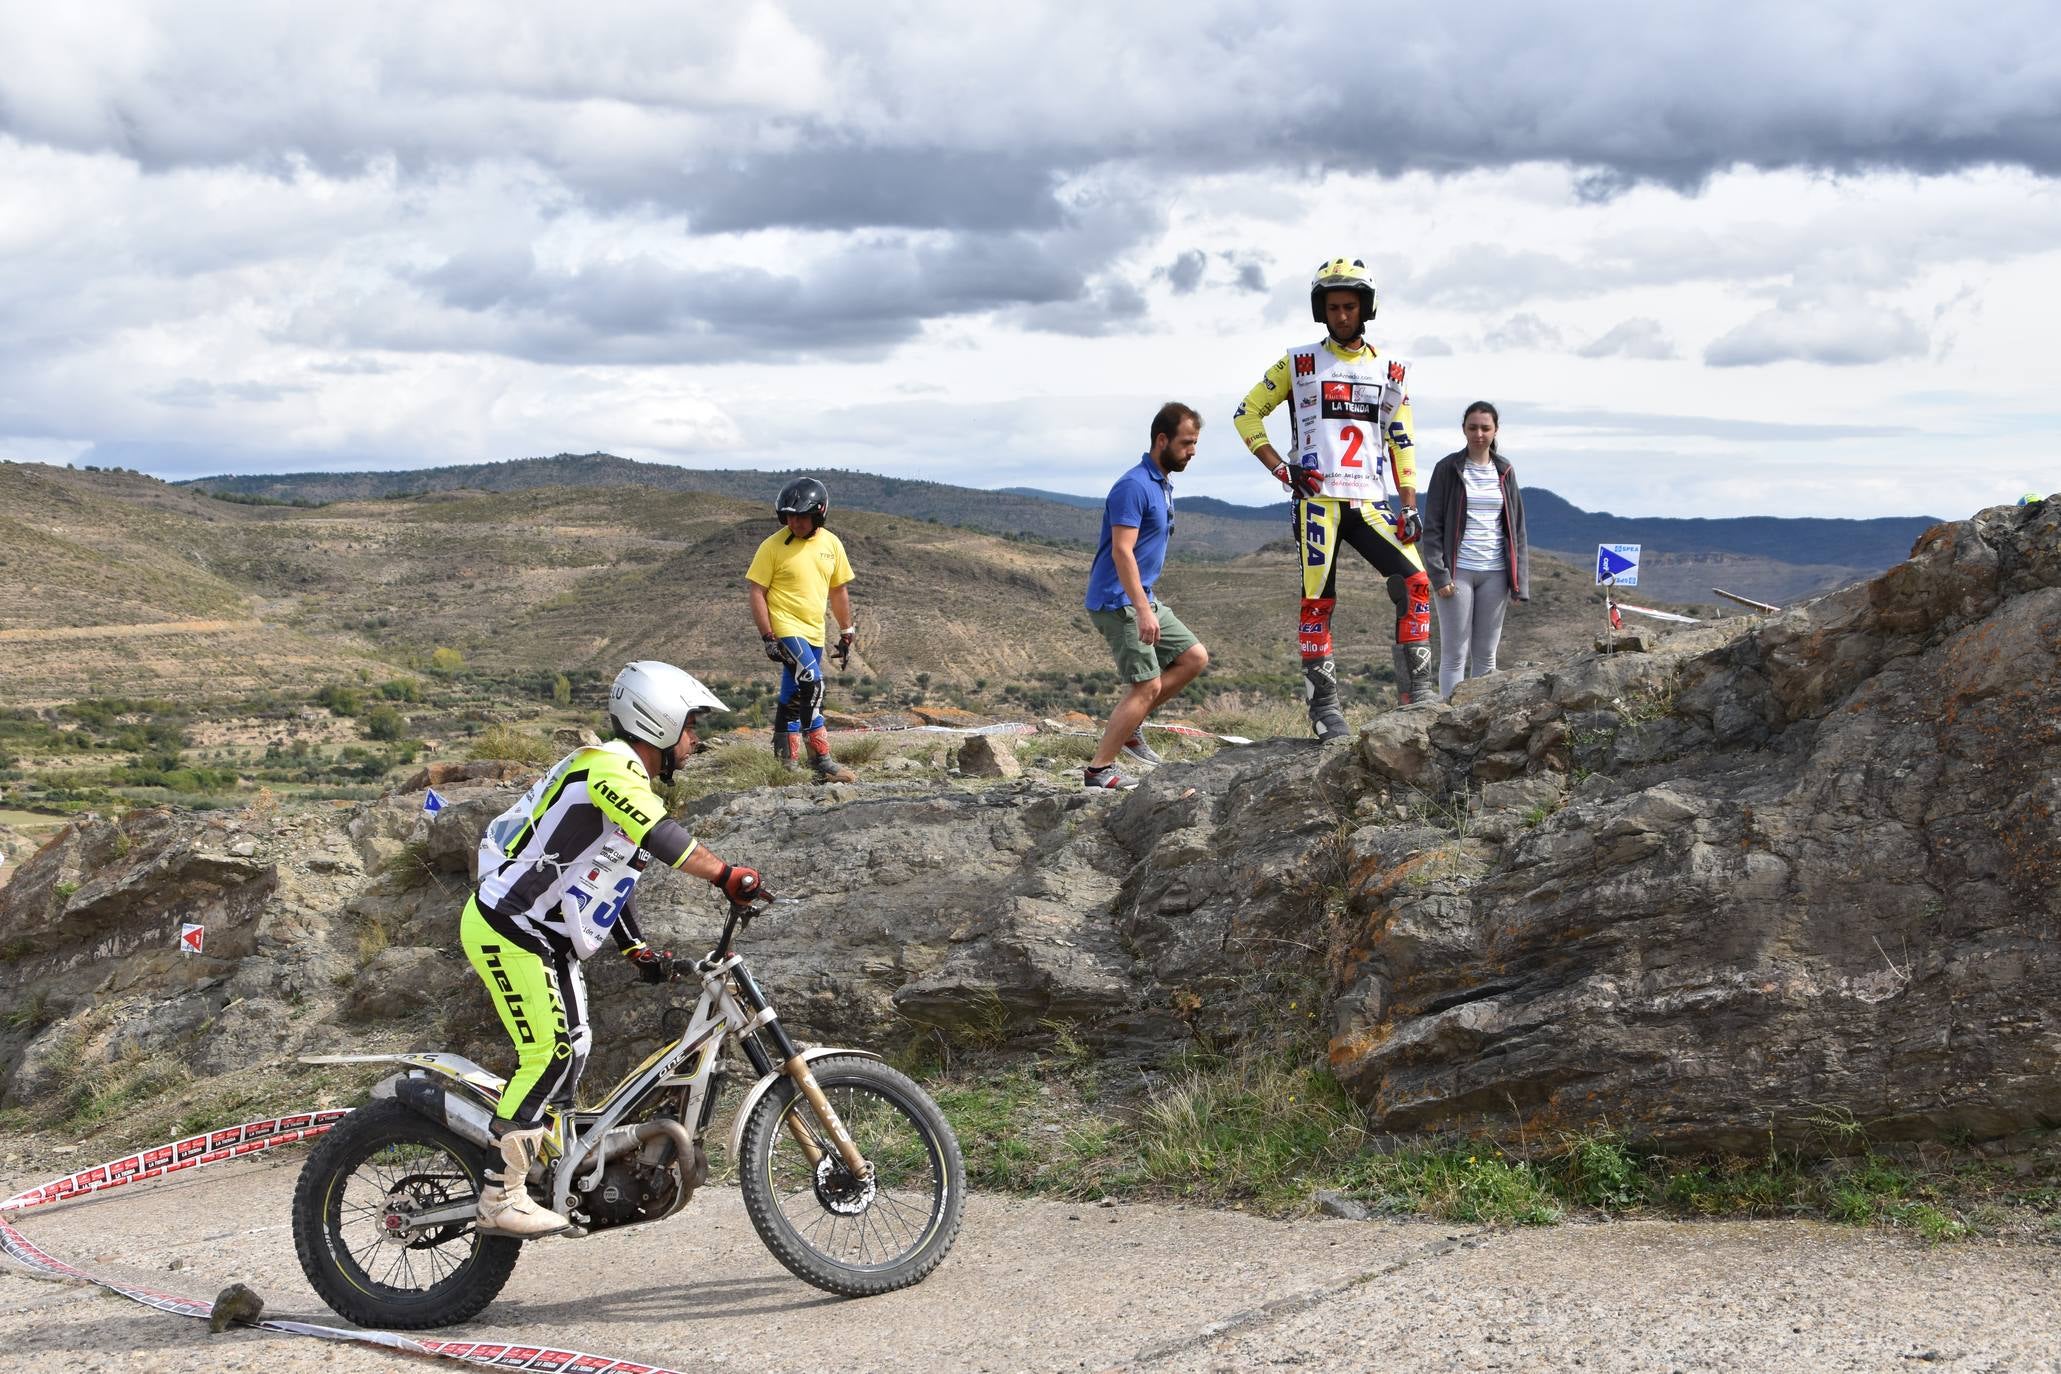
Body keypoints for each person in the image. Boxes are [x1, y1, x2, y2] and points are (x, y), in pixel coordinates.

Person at [462, 660, 765, 1235]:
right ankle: (499, 1195)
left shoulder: (621, 779)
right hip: (508, 926)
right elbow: (660, 837)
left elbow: (606, 876)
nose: (695, 741)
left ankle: (548, 1168)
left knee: (576, 1047)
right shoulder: (609, 769)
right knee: (550, 1052)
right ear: (661, 721)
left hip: (540, 933)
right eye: (691, 727)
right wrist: (726, 874)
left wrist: (634, 949)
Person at [1232, 256, 1435, 742]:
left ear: (1366, 309)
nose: (1341, 315)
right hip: (1318, 501)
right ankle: (1325, 710)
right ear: (1320, 311)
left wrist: (1408, 503)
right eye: (1332, 307)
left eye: (1349, 306)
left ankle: (1418, 695)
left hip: (1370, 501)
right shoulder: (1299, 362)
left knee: (1417, 583)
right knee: (1319, 602)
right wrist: (1283, 468)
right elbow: (1246, 414)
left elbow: (1401, 441)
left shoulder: (1391, 371)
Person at [1080, 402, 1211, 790]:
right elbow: (1122, 550)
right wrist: (1142, 609)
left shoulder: (1161, 483)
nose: (1192, 451)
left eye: (1195, 444)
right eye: (1187, 443)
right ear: (1162, 439)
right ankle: (1098, 770)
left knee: (1193, 657)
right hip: (1118, 601)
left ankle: (1131, 726)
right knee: (1148, 686)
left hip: (1140, 596)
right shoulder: (1133, 486)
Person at [747, 477, 858, 784]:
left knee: (793, 694)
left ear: (819, 514)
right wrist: (768, 636)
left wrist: (846, 631)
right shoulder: (771, 547)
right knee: (813, 683)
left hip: (814, 630)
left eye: (801, 515)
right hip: (785, 627)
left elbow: (838, 591)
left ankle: (784, 765)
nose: (794, 521)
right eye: (789, 516)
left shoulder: (832, 544)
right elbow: (757, 592)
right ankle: (821, 760)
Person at [1422, 401, 1531, 700]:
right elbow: (1432, 527)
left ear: (1495, 430)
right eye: (1473, 427)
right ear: (1464, 430)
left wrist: (1519, 584)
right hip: (1458, 574)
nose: (1479, 434)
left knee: (1486, 655)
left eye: (1485, 428)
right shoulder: (1447, 469)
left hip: (1496, 574)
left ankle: (1479, 720)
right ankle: (1448, 718)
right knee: (1455, 654)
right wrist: (1439, 575)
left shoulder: (1505, 470)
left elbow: (1517, 530)